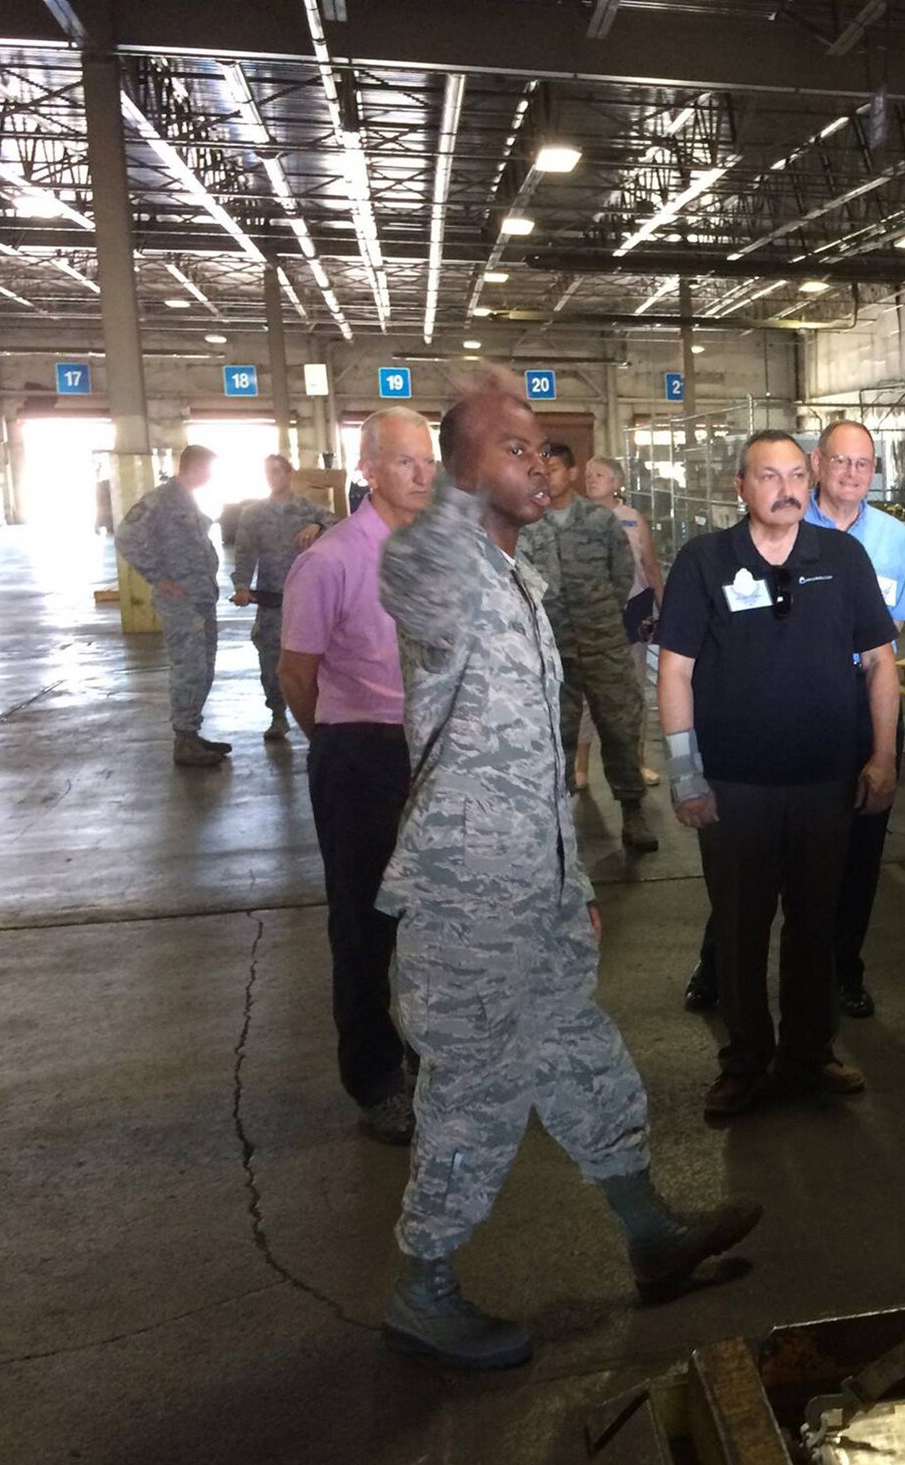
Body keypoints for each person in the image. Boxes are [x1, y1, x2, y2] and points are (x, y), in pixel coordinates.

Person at [376, 383, 757, 1371]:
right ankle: (424, 1288)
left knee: (583, 1055)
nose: (535, 464)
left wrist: (569, 886)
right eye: (513, 449)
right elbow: (408, 563)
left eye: (541, 449)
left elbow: (535, 760)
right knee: (473, 1089)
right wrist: (457, 483)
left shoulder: (515, 574)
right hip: (467, 895)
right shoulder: (439, 566)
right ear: (468, 467)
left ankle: (649, 1236)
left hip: (529, 885)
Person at [656, 430, 900, 1120]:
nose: (787, 488)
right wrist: (684, 773)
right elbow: (675, 669)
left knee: (816, 923)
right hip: (735, 786)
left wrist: (882, 757)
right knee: (740, 926)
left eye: (797, 474)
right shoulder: (705, 561)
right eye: (769, 475)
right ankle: (744, 1063)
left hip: (828, 781)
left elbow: (881, 662)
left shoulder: (843, 559)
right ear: (741, 486)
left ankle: (809, 1052)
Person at [278, 409, 432, 1145]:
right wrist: (336, 741)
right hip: (361, 752)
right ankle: (374, 1080)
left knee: (433, 920)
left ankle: (429, 1056)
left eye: (428, 461)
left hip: (433, 748)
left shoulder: (438, 552)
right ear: (369, 468)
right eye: (406, 462)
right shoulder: (333, 559)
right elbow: (296, 673)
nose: (423, 474)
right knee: (366, 924)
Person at [804, 421, 905, 1019]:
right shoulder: (791, 525)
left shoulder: (892, 536)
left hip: (868, 694)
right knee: (774, 842)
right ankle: (721, 956)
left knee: (862, 843)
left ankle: (845, 967)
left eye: (864, 464)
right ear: (819, 462)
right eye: (841, 462)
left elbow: (893, 629)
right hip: (802, 698)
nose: (852, 474)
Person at [517, 441, 658, 858]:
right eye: (540, 468)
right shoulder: (528, 524)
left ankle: (632, 812)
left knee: (619, 725)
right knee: (554, 733)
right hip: (552, 647)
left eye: (555, 467)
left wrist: (602, 613)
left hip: (603, 642)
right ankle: (557, 821)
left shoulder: (599, 520)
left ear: (572, 473)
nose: (546, 475)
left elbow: (623, 571)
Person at [114, 445, 228, 768]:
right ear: (192, 467)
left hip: (201, 597)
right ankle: (184, 739)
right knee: (189, 667)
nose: (209, 476)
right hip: (181, 602)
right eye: (207, 469)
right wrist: (157, 576)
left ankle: (191, 732)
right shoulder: (161, 500)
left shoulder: (188, 499)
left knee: (204, 666)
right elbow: (125, 536)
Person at [572, 456, 665, 794]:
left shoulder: (633, 520)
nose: (591, 479)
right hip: (591, 614)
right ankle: (580, 767)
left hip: (632, 611)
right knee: (586, 694)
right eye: (588, 474)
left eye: (599, 475)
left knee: (634, 690)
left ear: (616, 483)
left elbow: (651, 566)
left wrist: (663, 610)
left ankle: (638, 761)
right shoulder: (576, 518)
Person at [231, 454, 334, 741]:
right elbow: (245, 552)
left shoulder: (309, 510)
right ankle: (277, 714)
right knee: (271, 660)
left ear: (289, 474)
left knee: (316, 661)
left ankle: (318, 715)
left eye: (276, 472)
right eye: (267, 473)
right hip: (271, 598)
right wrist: (241, 585)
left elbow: (338, 529)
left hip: (307, 599)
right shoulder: (253, 514)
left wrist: (319, 527)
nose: (271, 478)